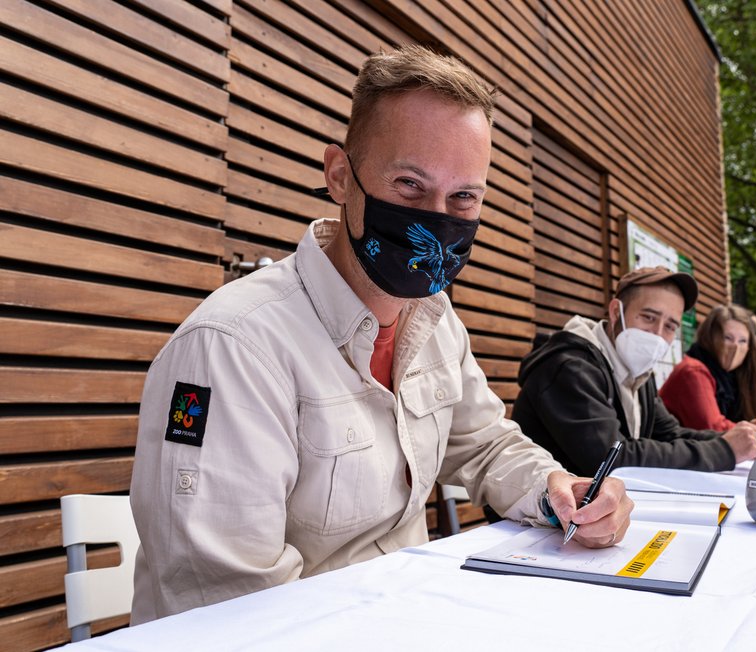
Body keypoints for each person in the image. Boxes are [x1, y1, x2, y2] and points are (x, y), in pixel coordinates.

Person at [129, 46, 632, 624]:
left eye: (464, 196)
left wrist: (559, 492)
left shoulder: (435, 322)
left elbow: (486, 444)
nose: (438, 218)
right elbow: (232, 608)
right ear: (340, 177)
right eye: (409, 185)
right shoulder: (232, 348)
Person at [511, 267, 756, 477]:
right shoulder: (570, 366)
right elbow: (611, 458)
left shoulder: (637, 370)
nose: (657, 334)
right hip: (537, 522)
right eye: (648, 317)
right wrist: (725, 450)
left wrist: (737, 437)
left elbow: (670, 434)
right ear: (615, 312)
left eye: (669, 326)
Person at [658, 305, 756, 431]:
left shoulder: (736, 378)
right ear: (710, 338)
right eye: (728, 338)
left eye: (742, 341)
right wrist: (755, 432)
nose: (735, 346)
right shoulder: (693, 371)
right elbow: (713, 428)